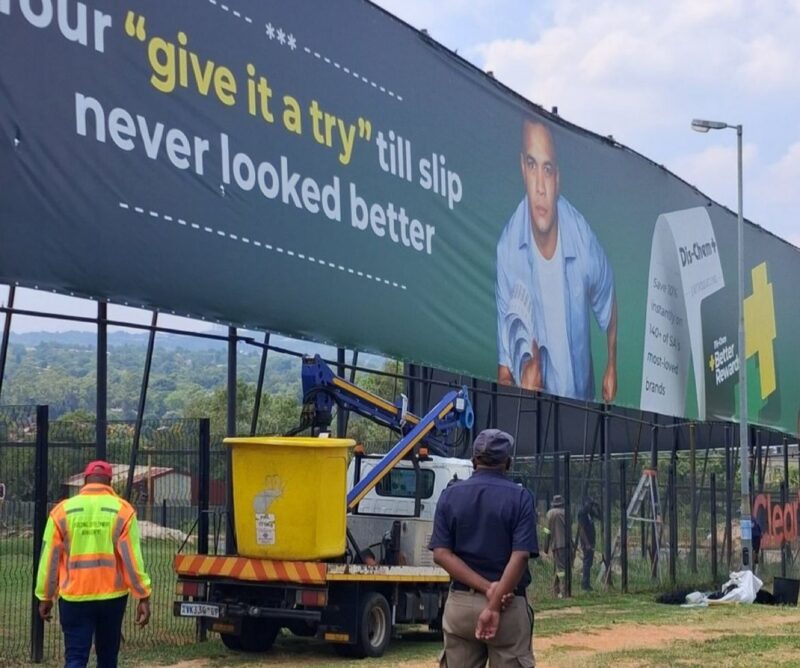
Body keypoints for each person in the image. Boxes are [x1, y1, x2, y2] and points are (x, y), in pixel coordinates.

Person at [496, 118, 618, 403]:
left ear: (558, 178)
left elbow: (608, 295)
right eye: (532, 165)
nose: (540, 186)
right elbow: (503, 370)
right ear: (522, 169)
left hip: (581, 406)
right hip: (535, 414)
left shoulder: (581, 237)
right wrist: (522, 385)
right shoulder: (507, 250)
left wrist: (611, 363)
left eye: (547, 169)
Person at [429, 429, 537, 667]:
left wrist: (488, 589)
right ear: (508, 462)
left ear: (473, 459)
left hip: (461, 605)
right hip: (509, 605)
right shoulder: (520, 498)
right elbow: (520, 556)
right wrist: (496, 600)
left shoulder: (450, 495)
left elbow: (441, 554)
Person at [35, 460, 152, 668]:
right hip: (112, 598)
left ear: (85, 480)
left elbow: (50, 559)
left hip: (74, 597)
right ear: (110, 481)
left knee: (75, 658)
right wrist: (143, 595)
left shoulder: (62, 511)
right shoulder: (123, 511)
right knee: (108, 657)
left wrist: (45, 596)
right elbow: (132, 559)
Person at [543, 494, 568, 598]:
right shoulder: (565, 513)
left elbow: (547, 531)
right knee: (561, 567)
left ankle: (560, 590)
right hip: (565, 544)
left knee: (560, 568)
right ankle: (558, 589)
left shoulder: (550, 514)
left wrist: (545, 546)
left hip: (556, 544)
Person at [576, 497, 601, 592]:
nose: (590, 506)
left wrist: (598, 507)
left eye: (591, 505)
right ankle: (584, 584)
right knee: (587, 562)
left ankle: (587, 583)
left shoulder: (589, 513)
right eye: (590, 504)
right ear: (586, 504)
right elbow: (581, 530)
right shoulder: (582, 513)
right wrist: (586, 544)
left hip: (591, 540)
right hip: (586, 542)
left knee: (589, 562)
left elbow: (600, 517)